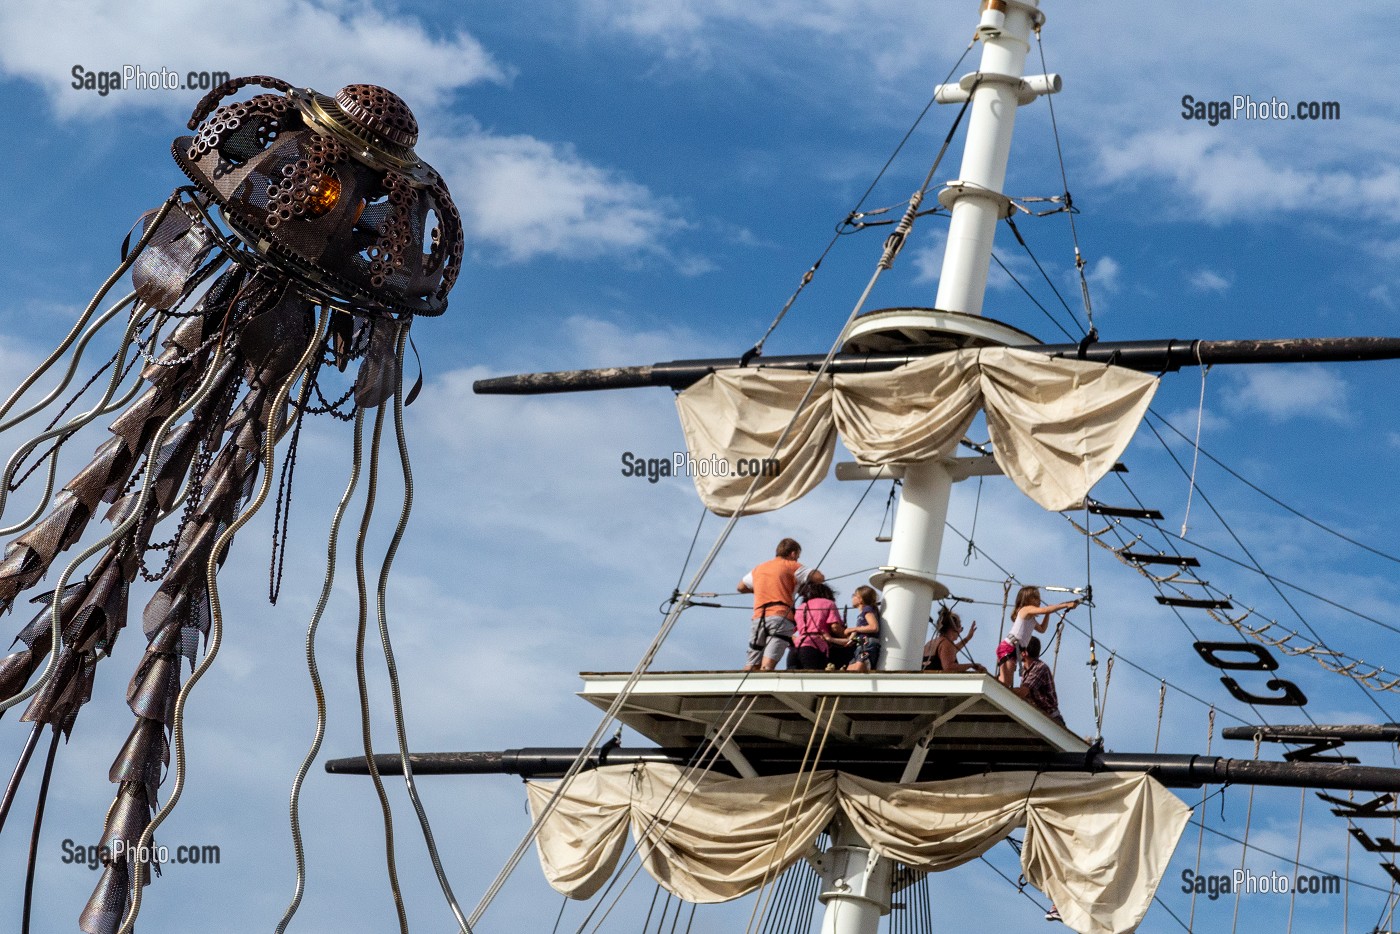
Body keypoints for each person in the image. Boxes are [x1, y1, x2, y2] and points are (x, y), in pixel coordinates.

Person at [737, 538, 824, 671]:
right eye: (797, 556)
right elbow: (819, 577)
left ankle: (743, 691)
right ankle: (759, 691)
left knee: (751, 664)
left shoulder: (760, 568)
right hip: (780, 618)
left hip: (759, 618)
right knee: (767, 666)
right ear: (793, 554)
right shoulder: (792, 565)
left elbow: (741, 587)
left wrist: (763, 588)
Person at [996, 585, 1080, 688]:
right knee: (1006, 683)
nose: (1039, 600)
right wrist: (1065, 605)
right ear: (1028, 599)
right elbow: (1045, 610)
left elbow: (1042, 629)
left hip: (1014, 650)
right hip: (1009, 648)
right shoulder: (1025, 610)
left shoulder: (1031, 619)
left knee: (1006, 683)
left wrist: (1047, 614)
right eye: (1036, 598)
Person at [790, 581, 845, 670]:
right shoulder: (829, 603)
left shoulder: (801, 607)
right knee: (813, 680)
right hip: (814, 646)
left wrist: (796, 639)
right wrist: (847, 637)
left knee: (792, 681)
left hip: (795, 648)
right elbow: (835, 627)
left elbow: (788, 631)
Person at [1014, 636, 1065, 727]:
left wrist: (1001, 688)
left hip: (1052, 720)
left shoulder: (1040, 668)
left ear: (1025, 653)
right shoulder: (1026, 671)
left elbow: (1023, 692)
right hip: (1040, 718)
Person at [922, 606, 985, 673]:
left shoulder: (931, 643)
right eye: (960, 627)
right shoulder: (946, 643)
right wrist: (971, 665)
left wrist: (967, 638)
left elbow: (951, 651)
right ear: (953, 628)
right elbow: (949, 667)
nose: (960, 631)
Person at [845, 585, 883, 672]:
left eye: (854, 595)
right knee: (849, 671)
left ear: (860, 599)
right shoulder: (862, 614)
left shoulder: (867, 609)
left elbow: (874, 627)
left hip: (867, 645)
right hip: (861, 646)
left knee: (856, 671)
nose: (852, 598)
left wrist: (852, 629)